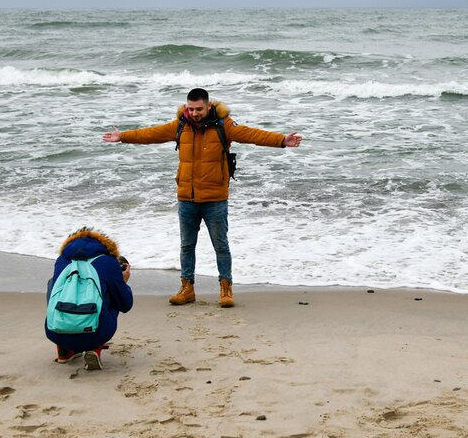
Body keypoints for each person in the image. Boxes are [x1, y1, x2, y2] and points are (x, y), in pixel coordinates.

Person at [102, 88, 302, 308]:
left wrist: (282, 140)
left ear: (208, 106)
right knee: (187, 246)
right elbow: (152, 134)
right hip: (187, 197)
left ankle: (226, 288)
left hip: (215, 198)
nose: (195, 113)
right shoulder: (180, 125)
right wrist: (123, 137)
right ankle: (187, 288)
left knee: (221, 246)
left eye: (198, 109)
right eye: (191, 109)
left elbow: (251, 134)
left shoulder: (223, 126)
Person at [45, 227, 133, 370]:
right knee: (112, 294)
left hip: (55, 331)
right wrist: (123, 282)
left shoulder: (61, 260)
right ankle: (94, 348)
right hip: (95, 332)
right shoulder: (108, 262)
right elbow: (125, 304)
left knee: (53, 284)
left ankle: (64, 351)